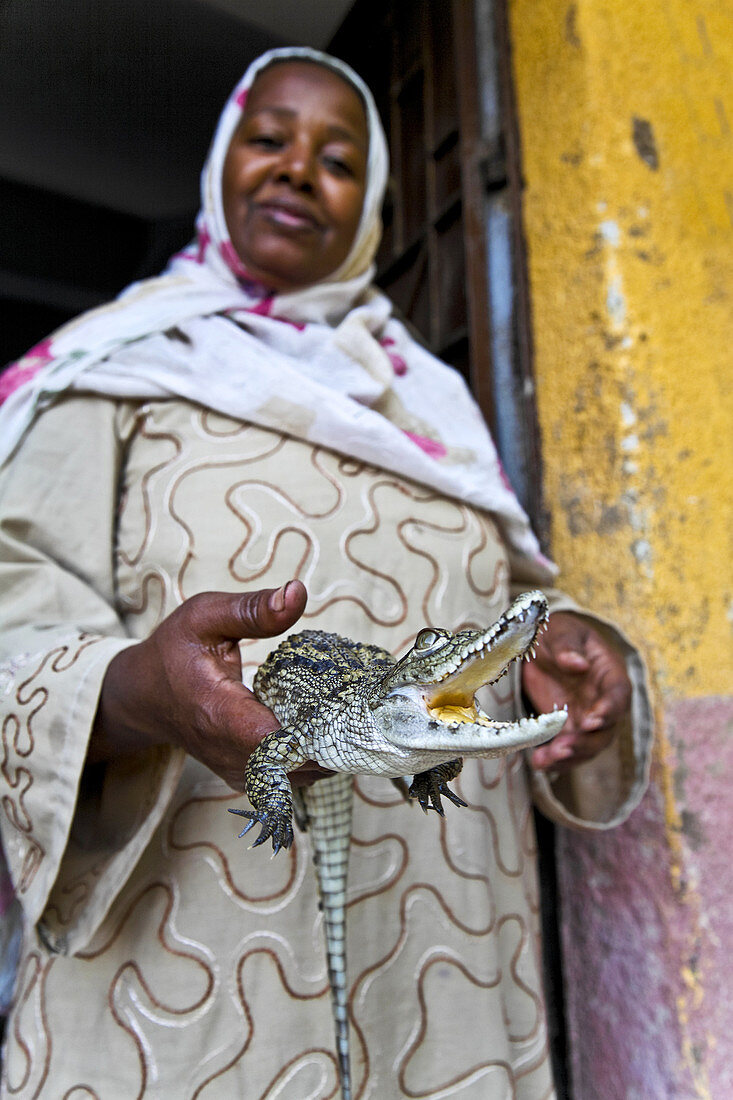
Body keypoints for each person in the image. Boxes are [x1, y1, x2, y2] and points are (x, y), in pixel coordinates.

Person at [0, 47, 651, 1098]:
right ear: (222, 166)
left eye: (337, 158)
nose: (298, 169)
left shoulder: (428, 405)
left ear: (373, 203)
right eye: (269, 140)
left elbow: (498, 602)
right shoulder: (110, 374)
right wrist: (132, 692)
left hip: (450, 951)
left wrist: (558, 657)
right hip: (187, 971)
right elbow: (10, 599)